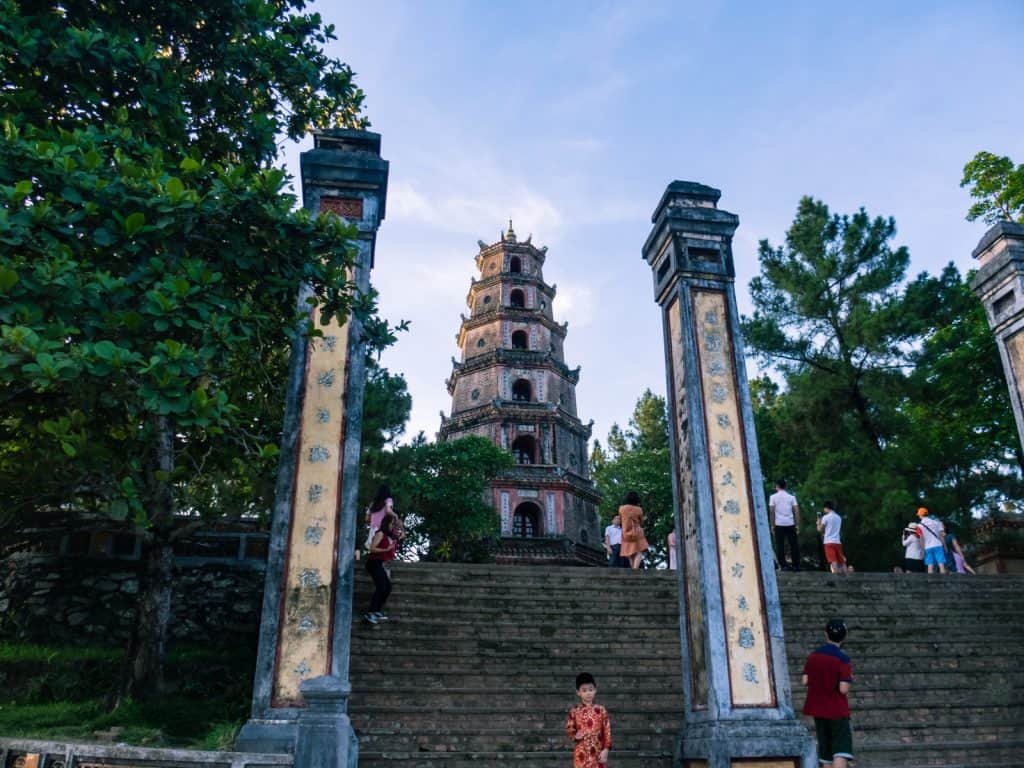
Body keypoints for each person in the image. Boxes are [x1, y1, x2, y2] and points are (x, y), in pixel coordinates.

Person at [802, 618, 854, 768]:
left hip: (818, 710)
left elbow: (805, 680)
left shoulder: (813, 656)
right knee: (840, 751)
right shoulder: (843, 659)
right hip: (837, 711)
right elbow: (843, 689)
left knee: (826, 754)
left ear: (826, 634)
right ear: (845, 636)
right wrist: (849, 678)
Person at [565, 672, 611, 768]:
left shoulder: (601, 710)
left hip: (598, 752)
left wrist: (606, 750)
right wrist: (575, 735)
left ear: (595, 690)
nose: (588, 693)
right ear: (578, 692)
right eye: (584, 690)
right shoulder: (574, 711)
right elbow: (569, 727)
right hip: (581, 753)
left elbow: (607, 731)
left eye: (590, 689)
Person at [362, 514, 397, 625]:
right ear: (387, 524)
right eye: (392, 524)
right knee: (381, 586)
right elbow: (372, 548)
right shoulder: (380, 533)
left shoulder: (388, 536)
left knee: (387, 587)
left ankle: (376, 610)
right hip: (373, 563)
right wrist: (386, 549)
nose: (393, 526)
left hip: (379, 563)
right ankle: (370, 612)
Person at [769, 479, 801, 571]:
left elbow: (771, 511)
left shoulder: (773, 497)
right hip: (790, 523)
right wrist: (797, 524)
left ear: (777, 486)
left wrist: (772, 525)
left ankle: (783, 565)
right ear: (785, 486)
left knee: (780, 545)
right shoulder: (791, 497)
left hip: (779, 524)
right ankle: (796, 565)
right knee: (794, 544)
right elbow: (797, 511)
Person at [364, 484, 404, 552]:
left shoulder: (373, 503)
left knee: (374, 548)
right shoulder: (388, 500)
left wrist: (374, 519)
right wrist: (395, 515)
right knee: (387, 546)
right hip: (383, 529)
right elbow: (388, 510)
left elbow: (367, 518)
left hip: (373, 529)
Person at [617, 491, 649, 569]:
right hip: (637, 532)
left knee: (629, 553)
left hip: (626, 533)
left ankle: (633, 569)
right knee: (638, 551)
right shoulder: (639, 509)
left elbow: (621, 519)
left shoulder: (621, 509)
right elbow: (641, 521)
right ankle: (635, 569)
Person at [817, 501, 846, 574]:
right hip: (838, 542)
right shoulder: (839, 517)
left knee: (833, 561)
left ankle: (835, 578)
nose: (824, 510)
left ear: (826, 508)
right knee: (842, 561)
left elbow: (819, 529)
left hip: (829, 542)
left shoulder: (826, 517)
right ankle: (848, 578)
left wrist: (818, 522)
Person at [916, 507, 946, 574]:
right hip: (938, 545)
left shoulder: (919, 526)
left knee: (930, 565)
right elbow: (941, 536)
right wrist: (945, 546)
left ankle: (930, 582)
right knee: (941, 564)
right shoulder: (936, 522)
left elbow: (921, 539)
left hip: (927, 547)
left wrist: (922, 550)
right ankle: (944, 580)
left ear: (920, 515)